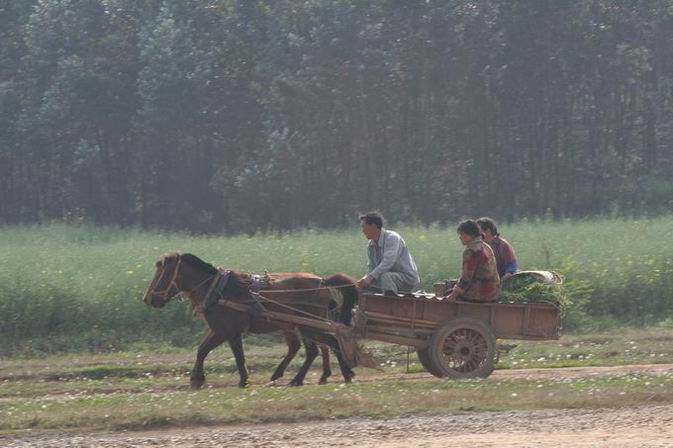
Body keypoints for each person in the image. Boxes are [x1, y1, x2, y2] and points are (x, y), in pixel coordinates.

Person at [356, 211, 420, 294]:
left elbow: (387, 262)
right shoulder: (370, 245)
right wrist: (364, 279)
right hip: (387, 279)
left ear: (373, 226)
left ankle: (391, 304)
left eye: (364, 227)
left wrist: (370, 278)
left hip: (407, 279)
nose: (362, 231)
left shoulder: (392, 238)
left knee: (385, 276)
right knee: (363, 289)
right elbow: (372, 268)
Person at [446, 219, 500, 302]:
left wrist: (453, 294)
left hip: (481, 294)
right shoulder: (485, 246)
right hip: (493, 293)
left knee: (448, 293)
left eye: (462, 234)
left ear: (470, 235)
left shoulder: (471, 251)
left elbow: (466, 278)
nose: (460, 237)